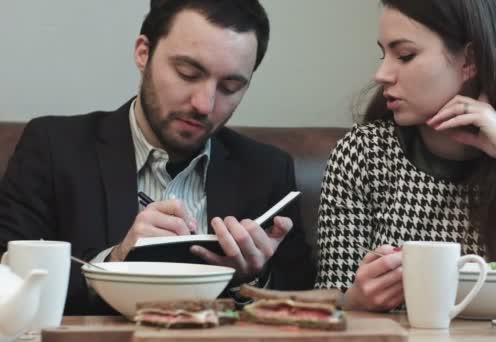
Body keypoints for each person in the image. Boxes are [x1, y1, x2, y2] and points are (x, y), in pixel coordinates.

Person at [0, 0, 314, 315]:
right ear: (143, 52)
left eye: (230, 87)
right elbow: (9, 279)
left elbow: (303, 297)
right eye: (188, 73)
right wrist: (115, 263)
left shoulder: (267, 170)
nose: (204, 104)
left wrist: (251, 279)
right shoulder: (54, 148)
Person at [315, 0, 496, 312]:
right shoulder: (364, 154)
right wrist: (354, 301)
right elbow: (329, 301)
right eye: (383, 54)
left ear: (470, 60)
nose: (381, 74)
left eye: (405, 55)